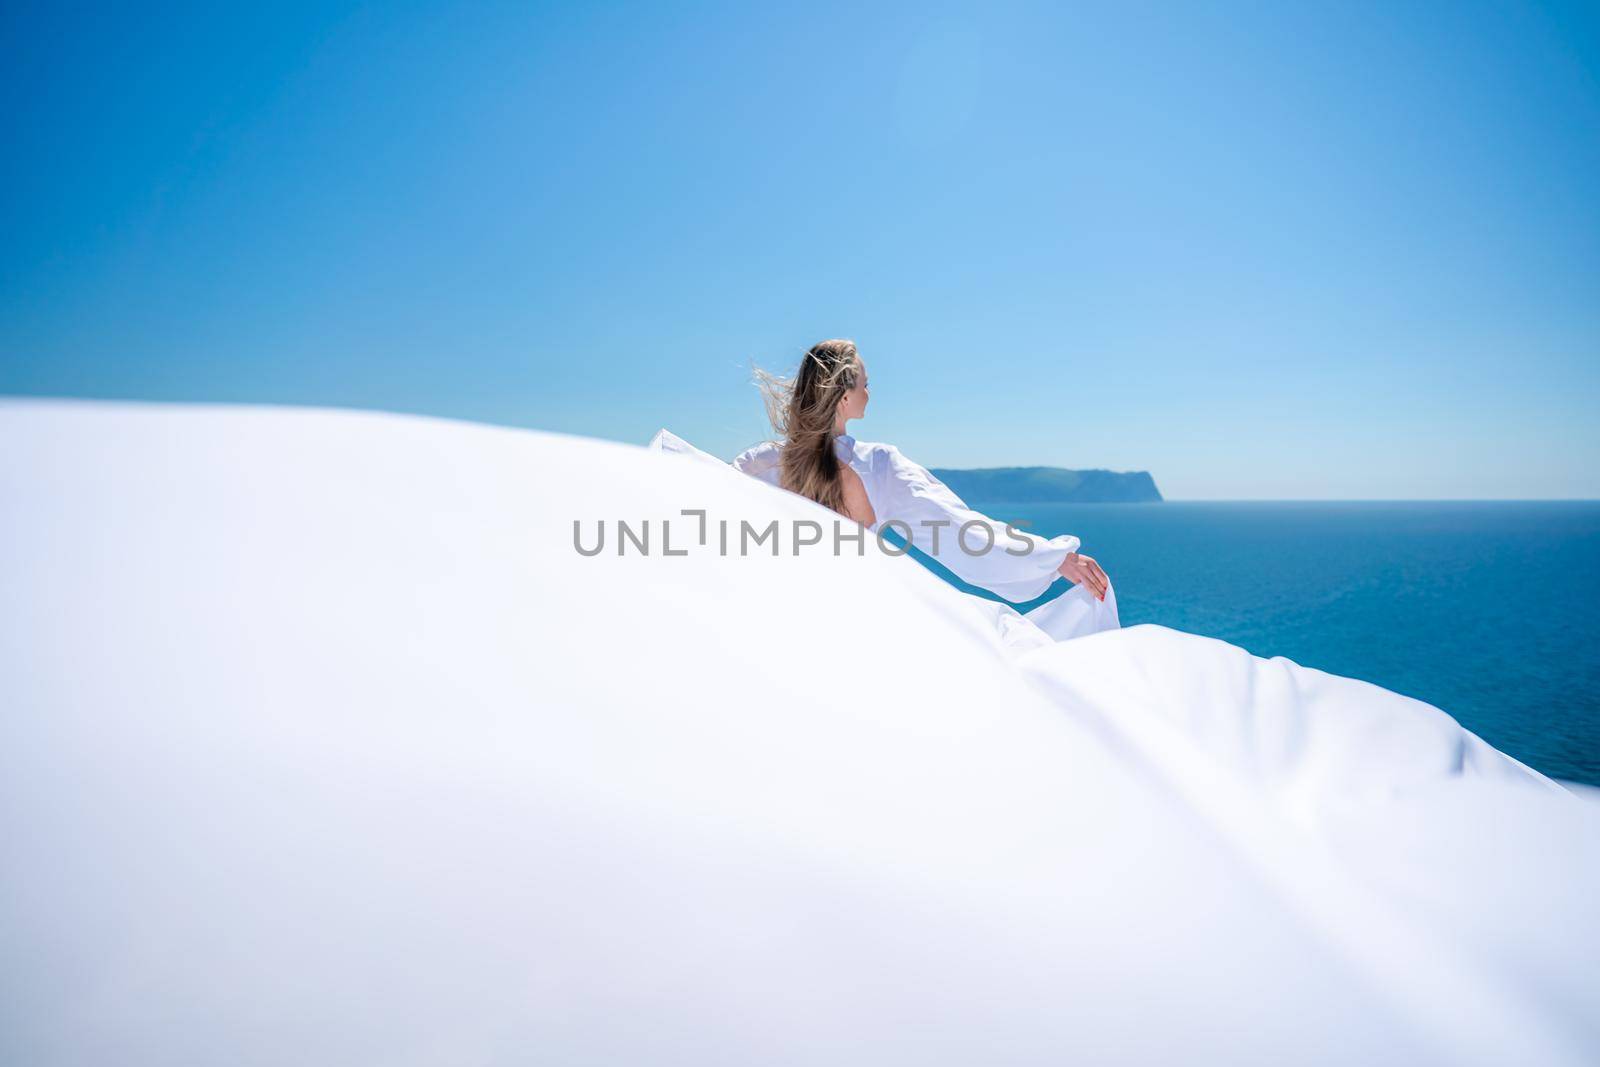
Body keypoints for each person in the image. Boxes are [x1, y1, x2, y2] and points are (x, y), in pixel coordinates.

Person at [732, 338, 1111, 607]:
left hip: (776, 613)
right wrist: (1052, 558)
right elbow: (961, 529)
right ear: (845, 397)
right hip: (849, 613)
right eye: (867, 384)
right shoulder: (878, 466)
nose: (870, 392)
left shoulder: (760, 463)